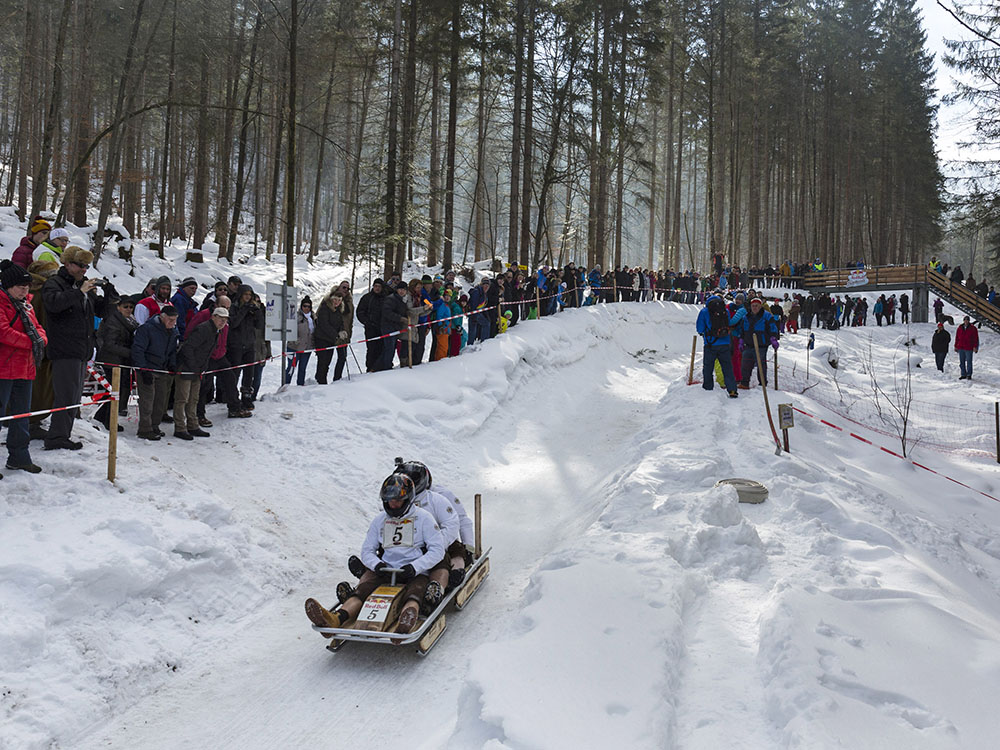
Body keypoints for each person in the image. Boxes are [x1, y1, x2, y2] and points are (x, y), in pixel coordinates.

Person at [304, 474, 445, 636]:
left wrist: (415, 567)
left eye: (397, 500)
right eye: (389, 500)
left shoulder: (424, 518)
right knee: (363, 589)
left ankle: (406, 619)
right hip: (385, 570)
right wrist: (376, 565)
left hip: (414, 571)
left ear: (407, 499)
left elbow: (437, 549)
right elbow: (367, 550)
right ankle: (336, 618)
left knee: (415, 592)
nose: (393, 504)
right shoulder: (380, 520)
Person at [41, 246, 112, 450]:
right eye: (80, 265)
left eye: (86, 266)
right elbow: (54, 304)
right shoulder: (54, 283)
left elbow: (100, 311)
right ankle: (57, 436)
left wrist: (108, 294)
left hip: (82, 349)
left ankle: (63, 433)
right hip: (64, 348)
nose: (84, 269)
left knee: (73, 396)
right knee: (65, 395)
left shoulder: (83, 285)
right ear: (67, 263)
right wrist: (79, 292)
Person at [0, 260, 47, 476]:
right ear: (8, 286)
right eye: (21, 287)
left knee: (22, 415)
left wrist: (40, 339)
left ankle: (19, 457)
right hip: (3, 368)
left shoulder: (27, 305)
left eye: (27, 287)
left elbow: (38, 328)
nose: (25, 290)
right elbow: (4, 332)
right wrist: (31, 342)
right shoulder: (2, 304)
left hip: (25, 368)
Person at [173, 307, 227, 439]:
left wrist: (202, 368)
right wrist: (194, 366)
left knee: (193, 399)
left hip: (197, 369)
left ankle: (192, 425)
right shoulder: (204, 329)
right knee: (182, 399)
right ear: (213, 317)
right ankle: (180, 427)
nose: (222, 322)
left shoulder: (216, 331)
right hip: (186, 368)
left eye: (225, 320)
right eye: (220, 318)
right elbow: (188, 348)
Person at [132, 306, 180, 440]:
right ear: (162, 317)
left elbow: (172, 350)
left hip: (162, 369)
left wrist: (172, 364)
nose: (173, 323)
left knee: (160, 400)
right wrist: (142, 369)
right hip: (147, 369)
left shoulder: (173, 331)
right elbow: (138, 349)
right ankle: (145, 429)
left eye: (175, 320)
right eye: (170, 320)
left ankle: (155, 425)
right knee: (147, 401)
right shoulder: (147, 329)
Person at [94, 295, 140, 431]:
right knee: (114, 391)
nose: (129, 309)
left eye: (131, 307)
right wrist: (130, 352)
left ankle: (102, 416)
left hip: (121, 360)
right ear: (118, 307)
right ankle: (109, 420)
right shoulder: (113, 321)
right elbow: (109, 344)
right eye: (125, 306)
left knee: (115, 390)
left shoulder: (129, 321)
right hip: (112, 361)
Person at [696, 295, 746, 398]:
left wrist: (705, 333)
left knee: (708, 367)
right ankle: (732, 389)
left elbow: (700, 328)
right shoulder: (725, 311)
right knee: (727, 367)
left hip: (710, 344)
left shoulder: (704, 311)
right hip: (725, 343)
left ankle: (708, 388)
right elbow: (728, 323)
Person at [227, 284, 263, 410]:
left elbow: (259, 326)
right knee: (235, 374)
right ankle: (232, 399)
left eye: (249, 295)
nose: (247, 297)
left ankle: (246, 397)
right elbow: (234, 323)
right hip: (236, 345)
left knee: (249, 374)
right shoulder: (234, 307)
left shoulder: (252, 308)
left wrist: (257, 312)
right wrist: (244, 310)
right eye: (245, 295)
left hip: (249, 344)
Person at [736, 297, 779, 389]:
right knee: (745, 364)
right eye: (753, 306)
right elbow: (742, 330)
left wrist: (773, 338)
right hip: (748, 344)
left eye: (757, 306)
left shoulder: (767, 316)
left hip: (761, 345)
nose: (755, 307)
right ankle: (744, 383)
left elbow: (773, 328)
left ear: (760, 306)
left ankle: (762, 384)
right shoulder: (746, 317)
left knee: (761, 365)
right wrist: (741, 340)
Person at [314, 289, 349, 384]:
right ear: (331, 299)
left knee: (327, 361)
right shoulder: (325, 308)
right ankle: (321, 381)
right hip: (321, 338)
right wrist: (336, 334)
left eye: (339, 300)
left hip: (330, 340)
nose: (337, 302)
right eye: (335, 299)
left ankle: (321, 378)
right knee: (322, 361)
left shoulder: (338, 310)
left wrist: (342, 330)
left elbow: (340, 322)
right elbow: (324, 325)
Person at [356, 279, 384, 372]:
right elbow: (360, 312)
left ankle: (379, 366)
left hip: (381, 327)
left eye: (379, 286)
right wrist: (366, 322)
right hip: (370, 328)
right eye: (376, 286)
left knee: (381, 348)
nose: (377, 288)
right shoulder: (367, 298)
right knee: (371, 349)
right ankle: (370, 367)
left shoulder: (385, 298)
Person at [285, 296, 314, 386]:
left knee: (302, 368)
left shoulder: (313, 318)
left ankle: (300, 386)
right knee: (291, 367)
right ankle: (285, 385)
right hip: (294, 347)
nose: (306, 308)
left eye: (308, 306)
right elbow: (290, 330)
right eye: (305, 306)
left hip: (307, 348)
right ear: (301, 306)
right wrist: (295, 340)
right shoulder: (296, 316)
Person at [467, 278, 491, 344]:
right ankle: (484, 342)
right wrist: (474, 315)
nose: (486, 287)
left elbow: (483, 305)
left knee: (473, 330)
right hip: (474, 313)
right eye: (485, 285)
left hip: (477, 312)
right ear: (482, 285)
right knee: (486, 324)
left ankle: (471, 344)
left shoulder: (484, 293)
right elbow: (474, 304)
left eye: (488, 286)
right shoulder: (477, 292)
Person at [955, 315, 979, 380]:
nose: (966, 321)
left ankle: (969, 374)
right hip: (961, 346)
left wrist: (975, 346)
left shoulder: (973, 328)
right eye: (965, 320)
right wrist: (956, 346)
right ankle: (963, 374)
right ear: (963, 321)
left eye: (967, 320)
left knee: (969, 361)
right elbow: (957, 337)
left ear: (969, 321)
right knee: (962, 362)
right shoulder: (960, 327)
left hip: (969, 347)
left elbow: (976, 338)